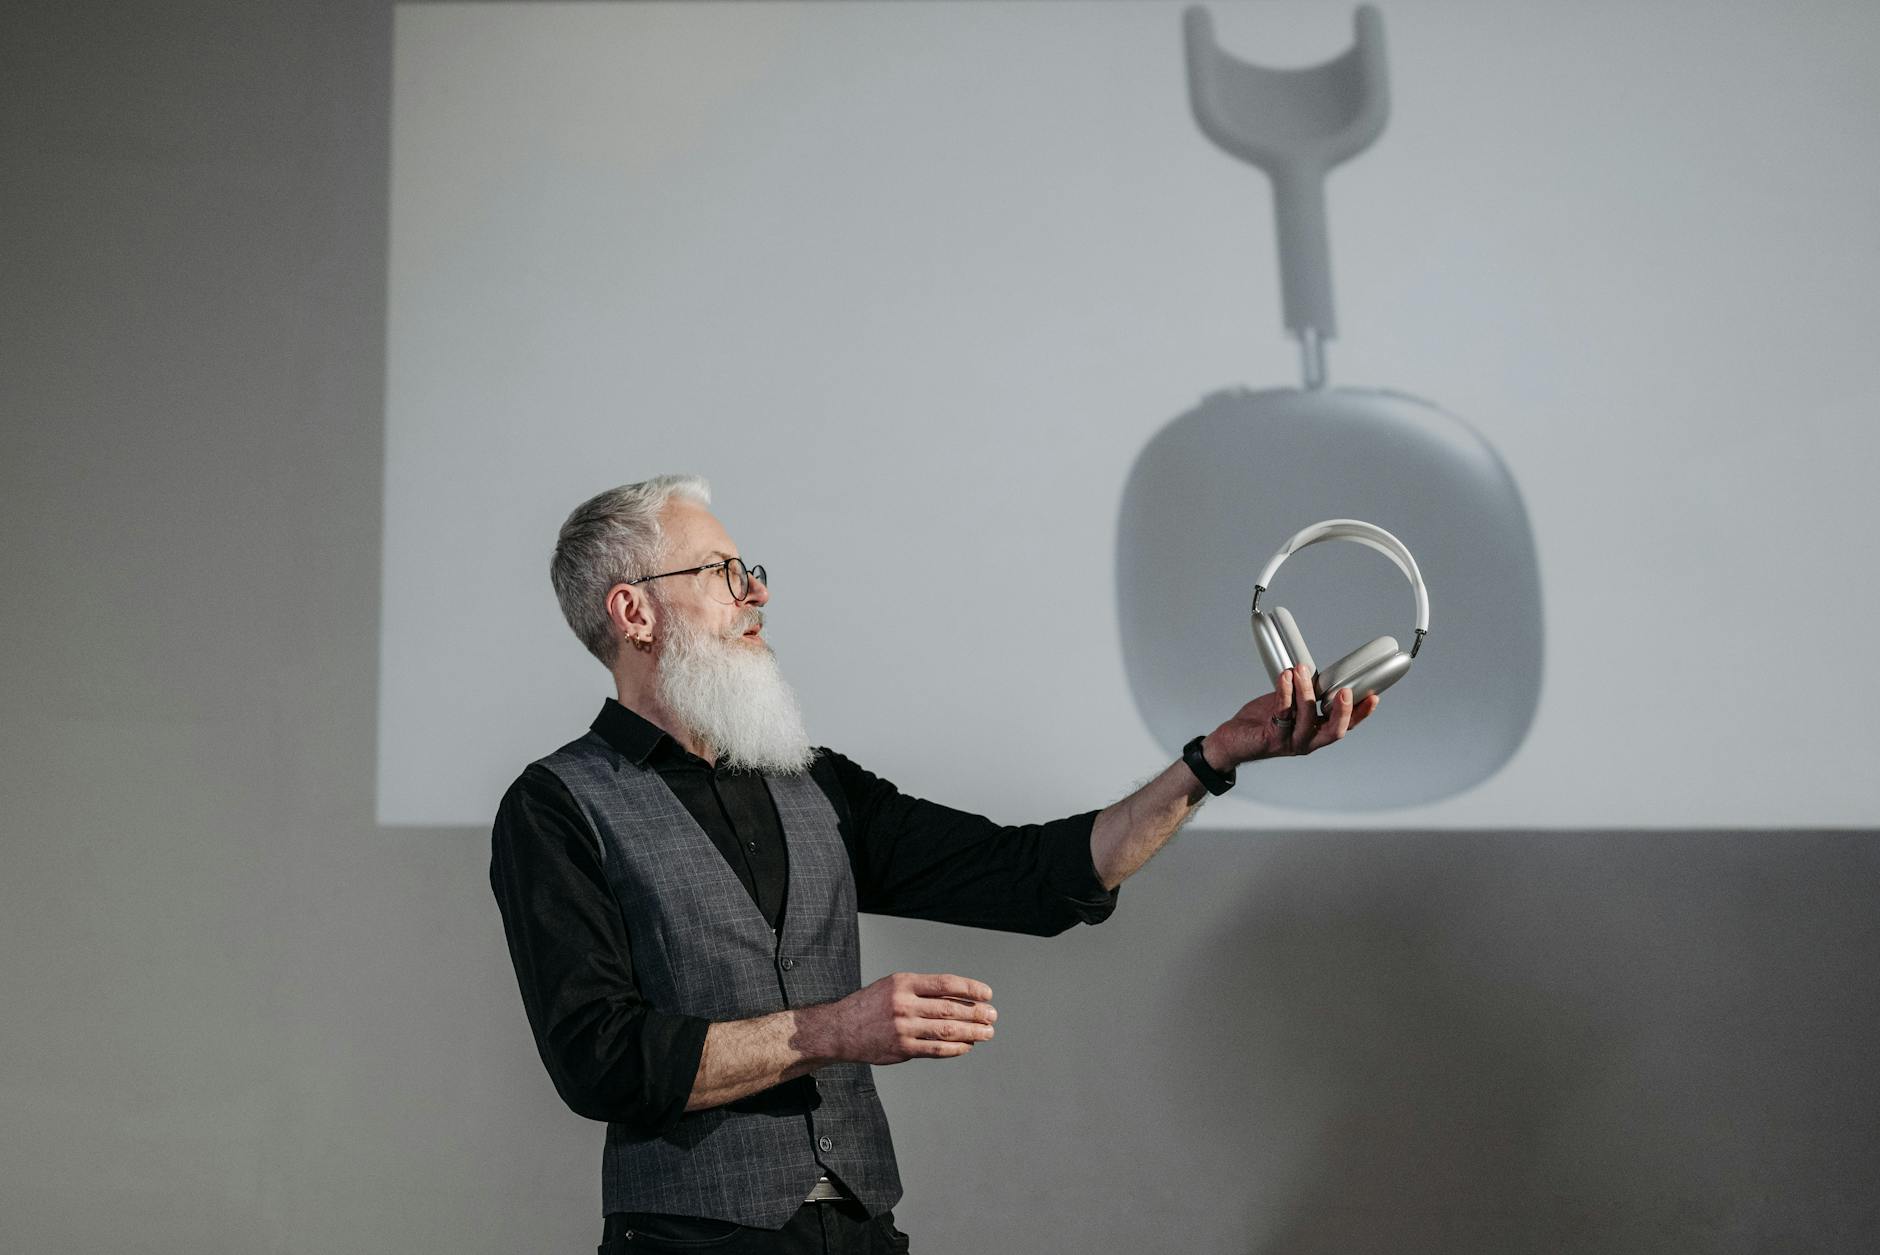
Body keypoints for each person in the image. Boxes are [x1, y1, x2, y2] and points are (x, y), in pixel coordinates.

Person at [489, 475, 1379, 1254]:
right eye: (722, 572)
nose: (755, 589)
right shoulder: (558, 806)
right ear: (633, 610)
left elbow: (1030, 874)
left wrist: (1214, 758)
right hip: (687, 1242)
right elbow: (601, 1062)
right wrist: (834, 1030)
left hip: (862, 1232)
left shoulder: (816, 782)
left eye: (748, 567)